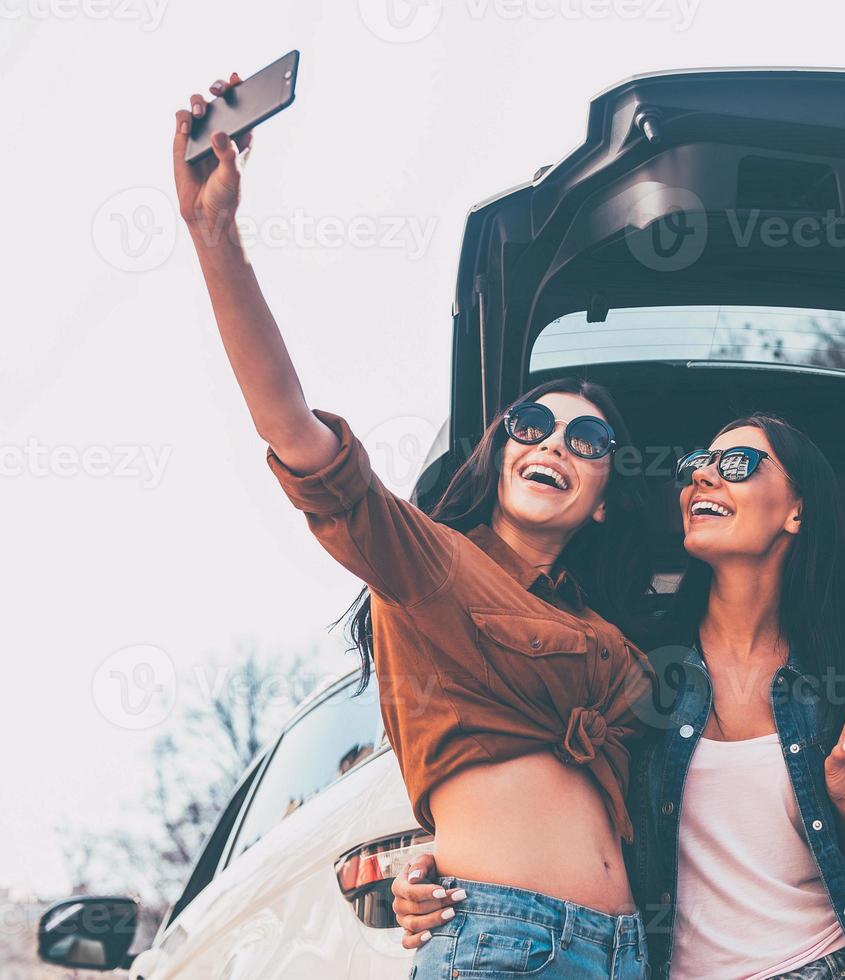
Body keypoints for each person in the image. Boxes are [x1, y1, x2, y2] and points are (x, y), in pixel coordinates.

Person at [174, 75, 656, 979]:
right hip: (504, 942)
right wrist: (215, 238)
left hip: (624, 949)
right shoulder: (430, 565)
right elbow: (296, 433)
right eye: (531, 424)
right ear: (499, 453)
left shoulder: (606, 631)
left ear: (602, 494)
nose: (553, 440)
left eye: (586, 438)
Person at [398, 415, 845, 980]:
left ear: (797, 510)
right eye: (695, 467)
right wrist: (447, 868)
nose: (703, 479)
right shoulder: (633, 665)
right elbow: (538, 781)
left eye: (736, 464)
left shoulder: (843, 675)